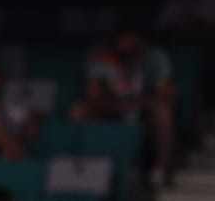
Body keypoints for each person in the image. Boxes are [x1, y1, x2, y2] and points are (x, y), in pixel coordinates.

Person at [70, 26, 175, 187]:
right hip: (111, 111)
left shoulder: (154, 57)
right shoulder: (103, 56)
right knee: (78, 111)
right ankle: (81, 169)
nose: (124, 44)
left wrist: (136, 104)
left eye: (129, 39)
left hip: (142, 112)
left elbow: (162, 96)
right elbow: (93, 97)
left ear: (138, 40)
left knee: (162, 112)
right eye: (120, 39)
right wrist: (122, 105)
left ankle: (159, 169)